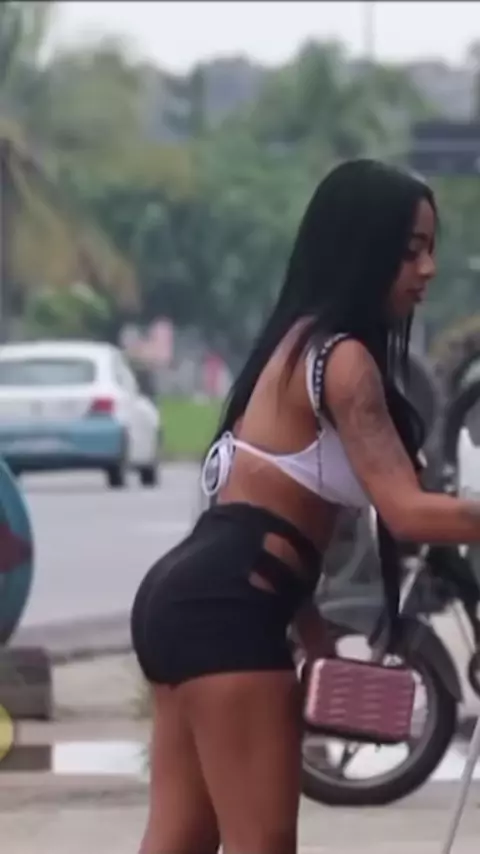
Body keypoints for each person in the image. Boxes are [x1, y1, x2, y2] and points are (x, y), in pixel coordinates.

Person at [130, 158, 480, 854]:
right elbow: (408, 513)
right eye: (410, 250)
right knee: (261, 844)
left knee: (181, 841)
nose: (428, 268)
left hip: (184, 599)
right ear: (362, 248)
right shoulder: (342, 361)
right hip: (226, 610)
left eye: (430, 249)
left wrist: (311, 630)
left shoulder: (289, 349)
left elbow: (259, 509)